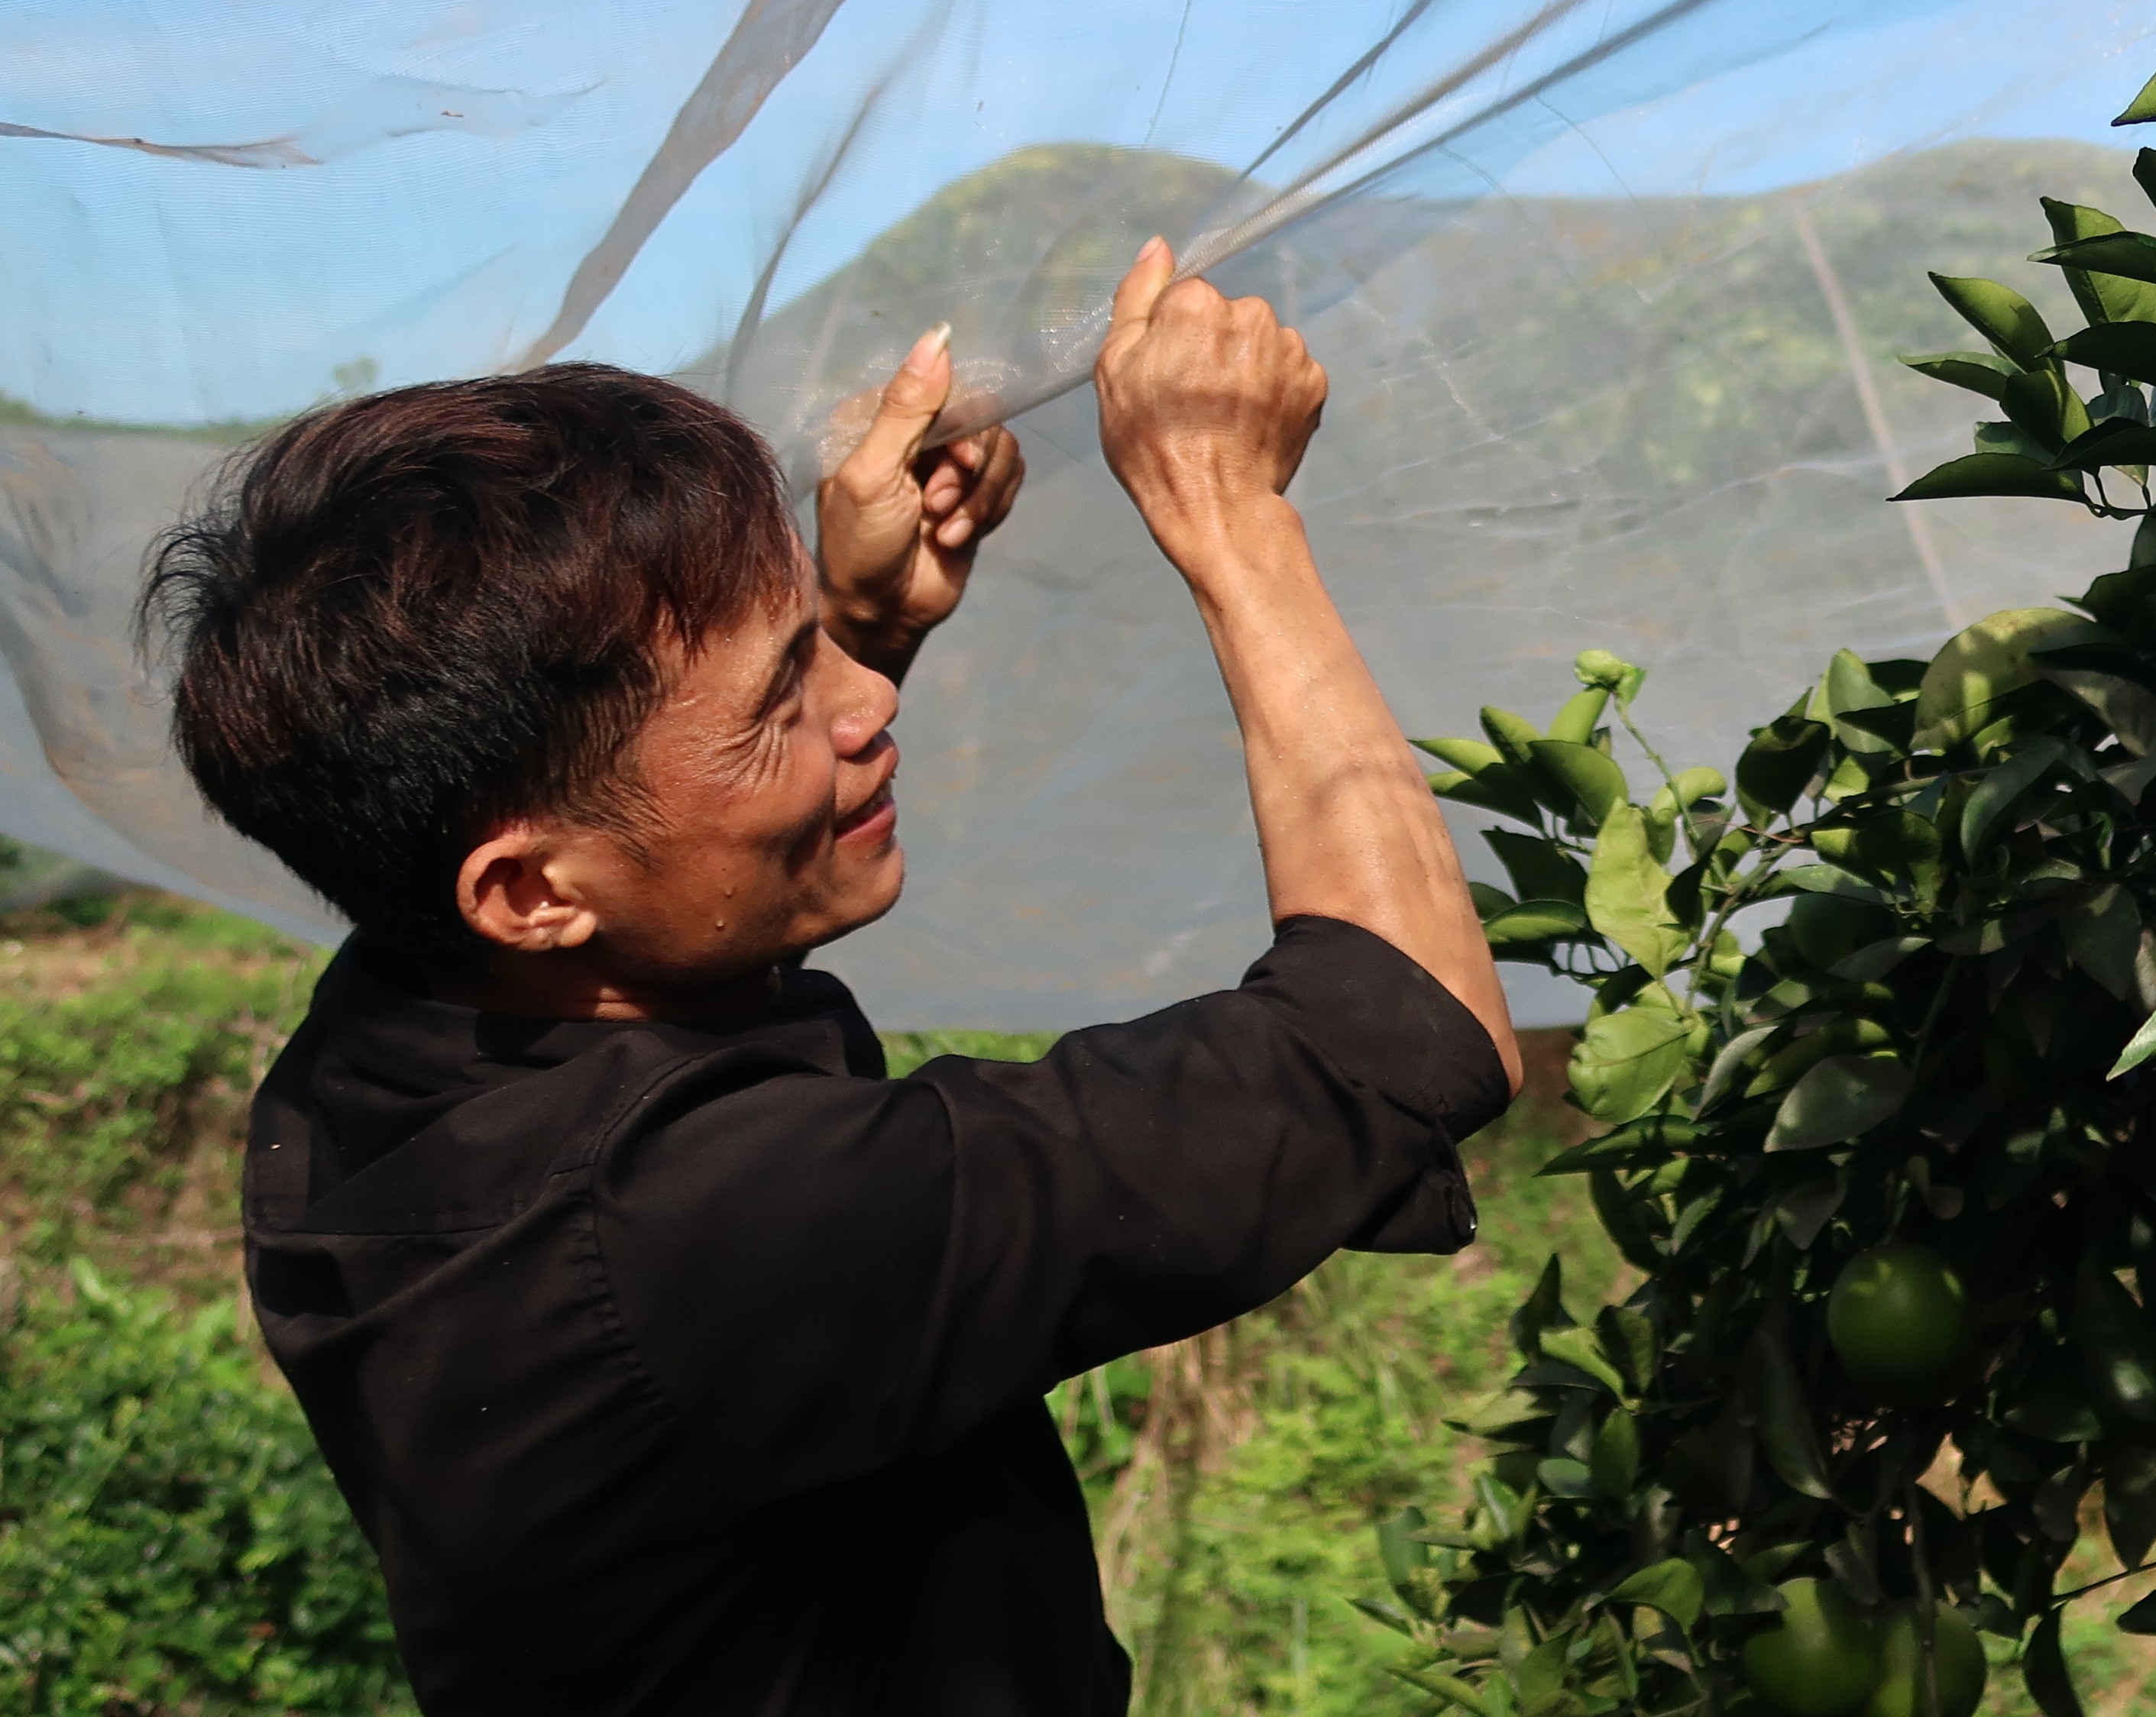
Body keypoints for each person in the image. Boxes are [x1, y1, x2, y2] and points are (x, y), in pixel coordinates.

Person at [142, 242, 1519, 1717]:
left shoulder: (393, 1041)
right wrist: (1230, 515)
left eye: (808, 643)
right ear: (532, 891)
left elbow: (645, 942)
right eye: (775, 702)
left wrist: (858, 626)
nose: (866, 713)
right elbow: (1404, 1027)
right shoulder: (705, 1236)